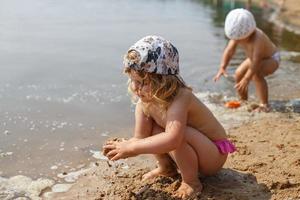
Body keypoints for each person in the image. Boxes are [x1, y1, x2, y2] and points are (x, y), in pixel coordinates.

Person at [103, 35, 236, 199]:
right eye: (133, 80)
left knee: (177, 133)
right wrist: (125, 146)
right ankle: (167, 167)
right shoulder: (144, 103)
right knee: (157, 131)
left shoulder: (182, 97)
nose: (137, 88)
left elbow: (173, 139)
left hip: (212, 156)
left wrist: (132, 147)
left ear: (164, 81)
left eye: (143, 82)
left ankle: (192, 182)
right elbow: (141, 138)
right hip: (192, 150)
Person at [214, 8, 280, 112]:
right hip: (253, 59)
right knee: (238, 73)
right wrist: (223, 67)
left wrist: (247, 78)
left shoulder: (258, 37)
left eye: (239, 39)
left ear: (249, 33)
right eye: (235, 39)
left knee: (256, 74)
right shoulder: (237, 35)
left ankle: (264, 105)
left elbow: (256, 60)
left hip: (271, 58)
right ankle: (243, 100)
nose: (237, 41)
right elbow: (229, 51)